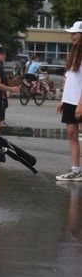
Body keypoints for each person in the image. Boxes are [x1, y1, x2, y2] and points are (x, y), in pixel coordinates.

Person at [55, 21, 82, 182]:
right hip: (71, 101)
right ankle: (75, 170)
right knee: (71, 134)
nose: (72, 36)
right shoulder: (73, 53)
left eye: (75, 33)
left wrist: (80, 103)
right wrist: (63, 100)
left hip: (79, 102)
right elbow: (71, 80)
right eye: (71, 33)